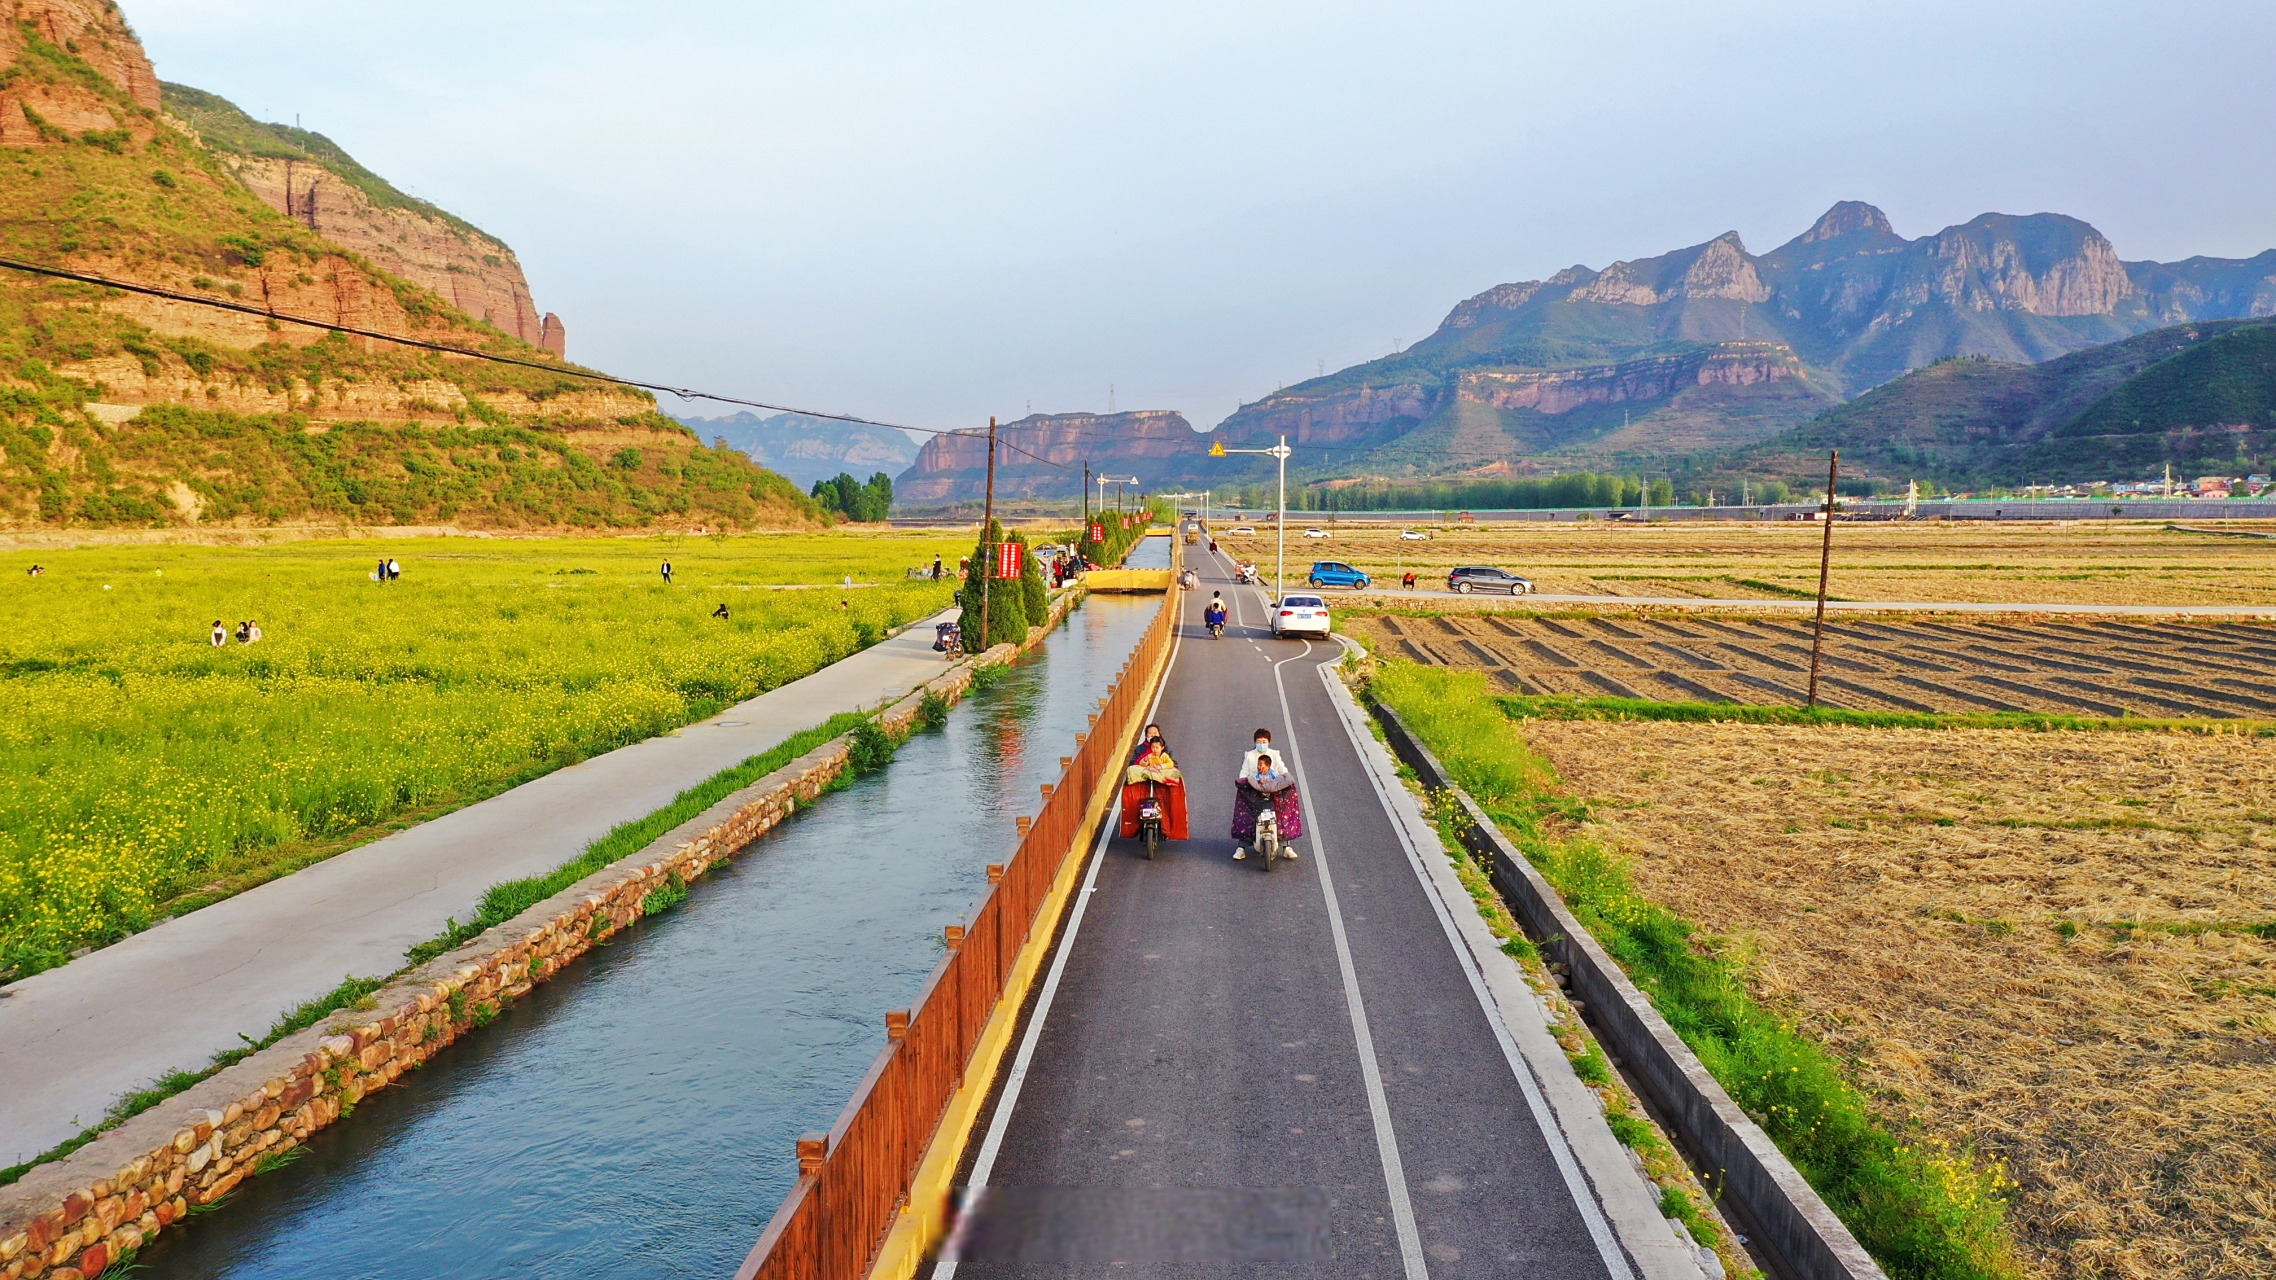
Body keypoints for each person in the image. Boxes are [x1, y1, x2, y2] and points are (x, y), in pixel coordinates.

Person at [1232, 728, 1301, 860]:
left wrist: (1287, 778)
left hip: (1273, 790)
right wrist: (1243, 783)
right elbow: (1244, 772)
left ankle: (1286, 847)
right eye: (1259, 741)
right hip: (1254, 790)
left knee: (1281, 815)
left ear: (1268, 742)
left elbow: (1282, 768)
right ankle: (1241, 847)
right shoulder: (1250, 755)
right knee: (1247, 815)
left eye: (1264, 741)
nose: (1261, 744)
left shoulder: (1274, 754)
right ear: (1255, 742)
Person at [1119, 723, 1190, 841]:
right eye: (1149, 734)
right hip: (1144, 784)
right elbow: (1134, 764)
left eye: (1155, 733)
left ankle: (1166, 827)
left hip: (1161, 785)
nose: (1152, 736)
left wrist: (1162, 768)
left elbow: (1173, 764)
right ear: (1146, 736)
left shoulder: (1166, 750)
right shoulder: (1140, 749)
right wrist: (1146, 765)